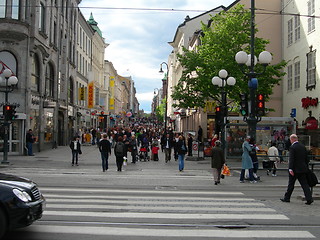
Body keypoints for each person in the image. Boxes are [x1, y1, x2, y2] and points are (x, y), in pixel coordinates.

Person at [281, 134, 313, 205]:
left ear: (292, 139)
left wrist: (290, 169)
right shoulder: (302, 146)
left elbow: (292, 159)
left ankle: (287, 198)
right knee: (305, 185)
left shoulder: (292, 147)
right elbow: (306, 158)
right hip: (303, 169)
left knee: (291, 184)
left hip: (295, 169)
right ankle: (309, 198)